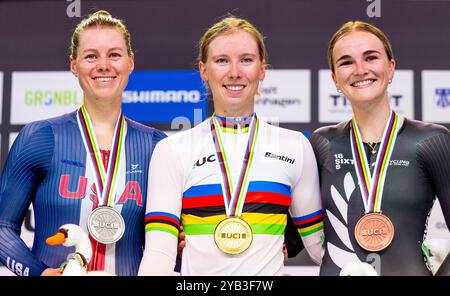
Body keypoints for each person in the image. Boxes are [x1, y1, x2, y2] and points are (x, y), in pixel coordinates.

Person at [138, 16, 323, 276]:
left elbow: (319, 250)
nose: (234, 72)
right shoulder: (173, 150)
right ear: (204, 70)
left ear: (262, 69)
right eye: (222, 60)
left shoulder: (295, 147)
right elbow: (159, 255)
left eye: (246, 60)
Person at [0, 10, 166, 276]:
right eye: (91, 56)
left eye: (114, 54)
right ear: (74, 65)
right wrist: (38, 273)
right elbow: (2, 227)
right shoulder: (40, 137)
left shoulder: (157, 147)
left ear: (130, 62)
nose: (103, 65)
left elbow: (169, 242)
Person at [310, 21, 450, 275]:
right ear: (334, 79)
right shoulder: (322, 143)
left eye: (371, 57)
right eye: (346, 62)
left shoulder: (432, 141)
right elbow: (292, 236)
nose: (360, 70)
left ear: (391, 67)